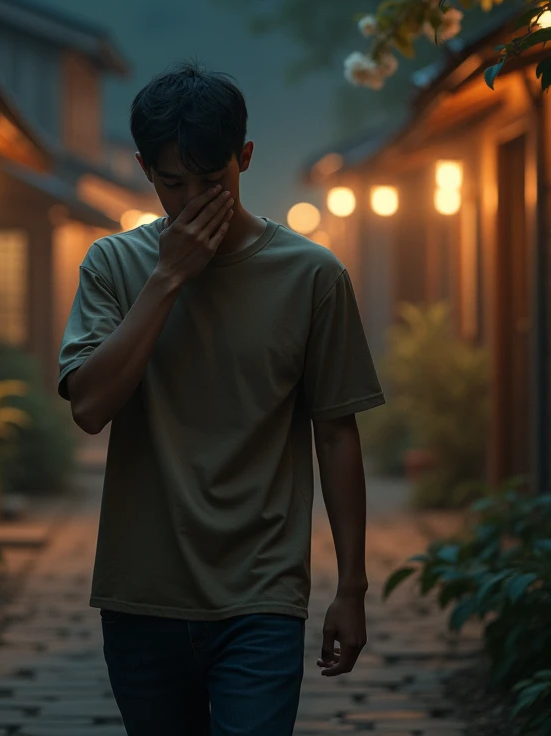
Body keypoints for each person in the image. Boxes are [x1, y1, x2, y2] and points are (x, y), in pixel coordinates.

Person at [57, 62, 386, 736]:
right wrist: (166, 280)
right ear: (147, 170)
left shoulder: (312, 275)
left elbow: (336, 432)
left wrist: (351, 590)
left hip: (262, 590)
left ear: (245, 158)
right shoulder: (113, 265)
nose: (196, 202)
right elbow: (90, 409)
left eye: (215, 182)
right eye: (175, 185)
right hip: (142, 588)